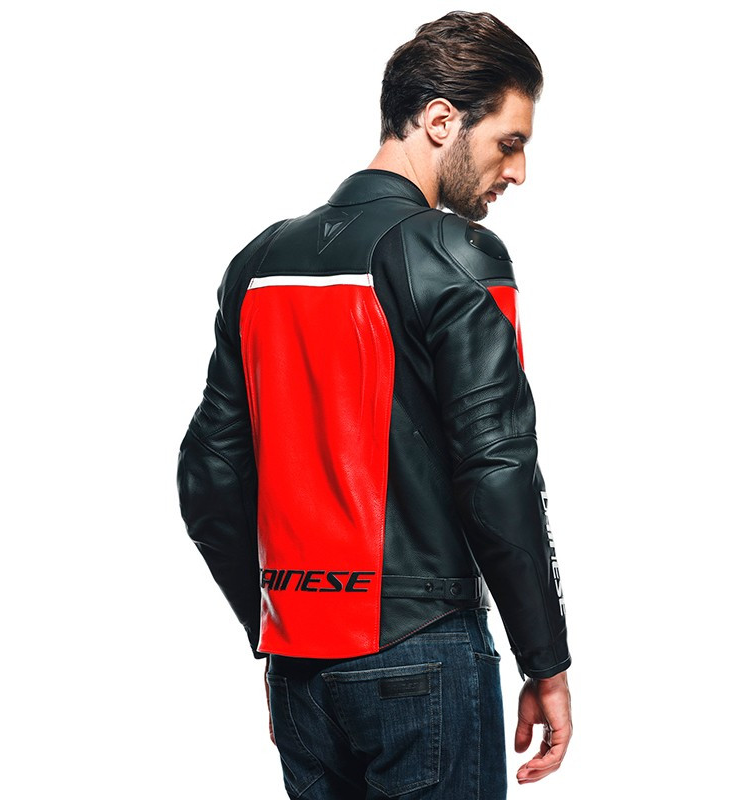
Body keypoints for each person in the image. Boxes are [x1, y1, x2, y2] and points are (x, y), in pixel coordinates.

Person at [177, 10, 573, 798]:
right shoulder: (455, 253)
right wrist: (545, 661)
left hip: (299, 673)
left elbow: (208, 476)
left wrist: (275, 628)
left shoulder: (259, 262)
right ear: (440, 120)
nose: (519, 171)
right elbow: (497, 469)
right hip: (424, 651)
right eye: (509, 142)